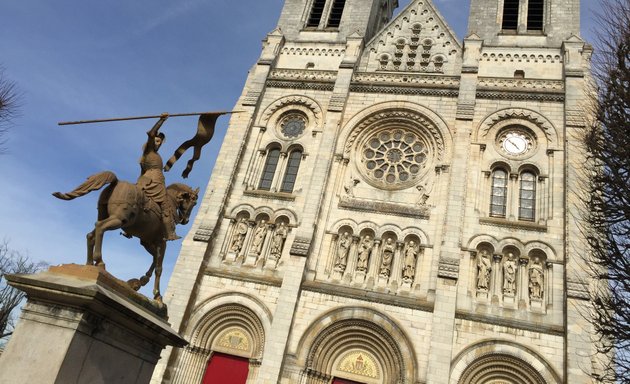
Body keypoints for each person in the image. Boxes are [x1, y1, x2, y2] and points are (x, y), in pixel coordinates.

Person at [137, 113, 180, 241]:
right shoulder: (149, 150)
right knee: (165, 205)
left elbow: (141, 173)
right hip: (155, 183)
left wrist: (139, 183)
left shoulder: (152, 155)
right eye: (156, 141)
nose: (158, 144)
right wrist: (161, 120)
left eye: (160, 142)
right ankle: (170, 233)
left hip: (145, 180)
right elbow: (151, 133)